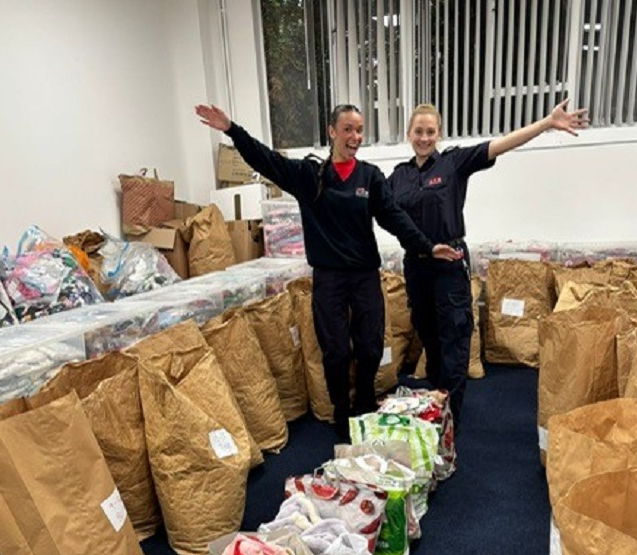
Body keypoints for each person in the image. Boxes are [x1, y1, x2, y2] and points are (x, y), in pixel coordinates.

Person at [195, 102, 460, 439]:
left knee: (369, 348)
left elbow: (395, 218)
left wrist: (426, 245)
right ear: (332, 132)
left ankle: (364, 404)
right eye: (348, 129)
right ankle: (340, 411)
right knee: (335, 351)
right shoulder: (309, 176)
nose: (355, 136)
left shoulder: (370, 177)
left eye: (359, 130)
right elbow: (266, 159)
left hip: (365, 275)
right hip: (329, 279)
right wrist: (231, 129)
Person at [387, 98, 589, 428]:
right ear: (409, 134)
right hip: (417, 267)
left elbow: (501, 144)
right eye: (418, 131)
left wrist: (546, 123)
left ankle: (449, 423)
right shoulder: (398, 177)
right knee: (431, 341)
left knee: (455, 341)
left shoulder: (453, 163)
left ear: (438, 133)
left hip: (450, 265)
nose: (424, 137)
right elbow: (379, 209)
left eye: (430, 131)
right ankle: (437, 406)